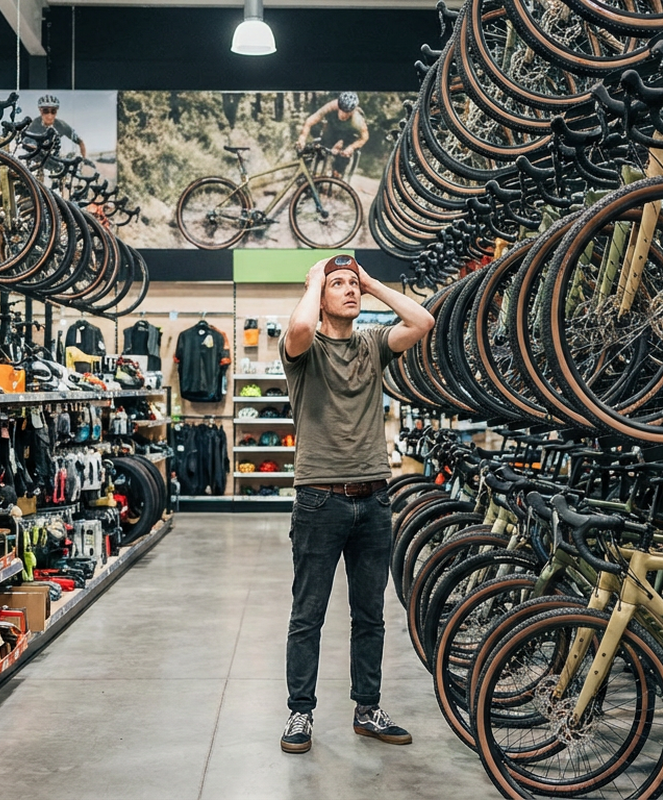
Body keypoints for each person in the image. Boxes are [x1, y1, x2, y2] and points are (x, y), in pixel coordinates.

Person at [278, 253, 434, 754]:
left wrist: (372, 283)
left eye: (353, 285)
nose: (349, 290)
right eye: (337, 285)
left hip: (374, 500)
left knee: (370, 616)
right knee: (309, 615)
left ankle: (368, 709)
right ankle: (300, 714)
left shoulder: (372, 343)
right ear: (319, 296)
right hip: (319, 500)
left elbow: (423, 321)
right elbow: (301, 325)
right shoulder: (302, 349)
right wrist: (312, 279)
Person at [296, 91, 369, 178]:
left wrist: (351, 147)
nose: (343, 115)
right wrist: (302, 137)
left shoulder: (358, 119)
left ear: (353, 111)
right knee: (320, 146)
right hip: (332, 129)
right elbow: (310, 120)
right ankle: (312, 172)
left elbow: (364, 137)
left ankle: (338, 173)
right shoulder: (331, 106)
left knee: (343, 156)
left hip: (348, 135)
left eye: (347, 112)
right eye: (341, 110)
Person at [26, 94, 87, 172]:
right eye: (46, 111)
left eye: (53, 111)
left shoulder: (61, 125)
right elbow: (26, 144)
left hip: (54, 157)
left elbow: (80, 142)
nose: (49, 115)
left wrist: (83, 160)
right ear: (40, 111)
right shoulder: (35, 124)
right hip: (38, 158)